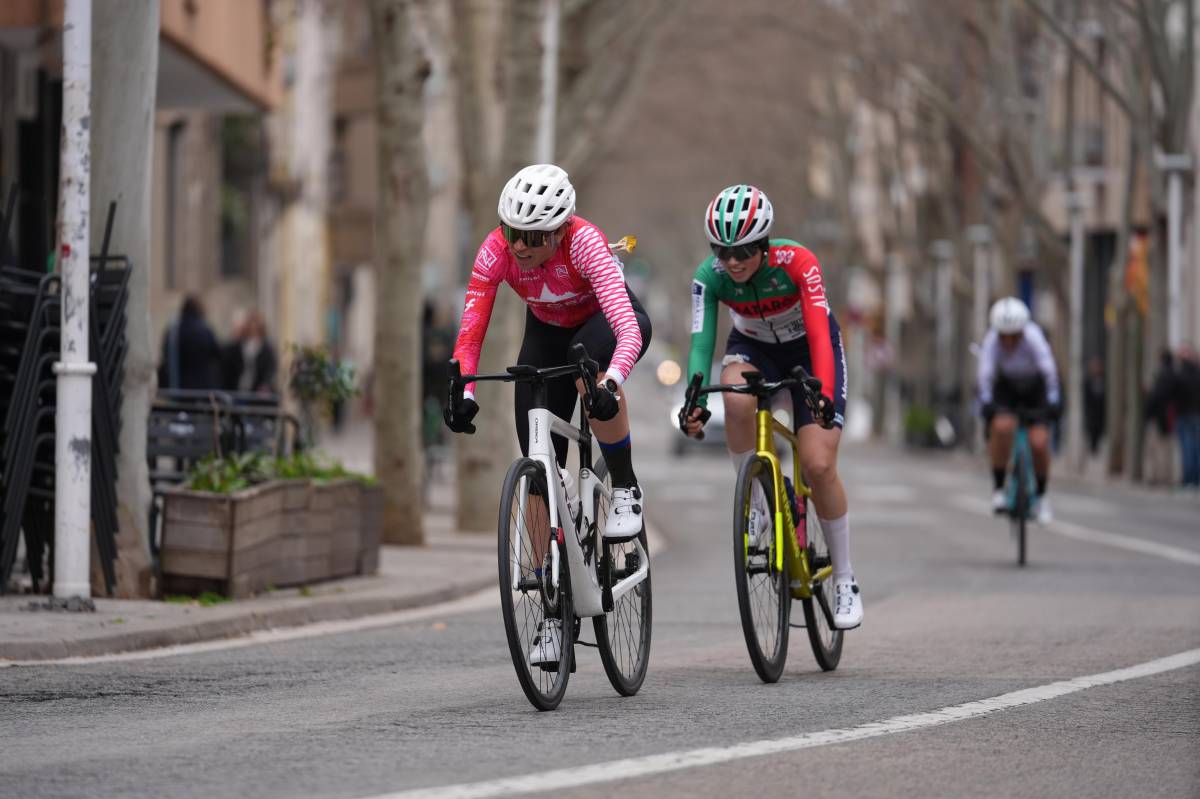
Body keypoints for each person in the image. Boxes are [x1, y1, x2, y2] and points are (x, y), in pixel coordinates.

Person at [444, 163, 653, 664]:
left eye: (533, 237)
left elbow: (627, 328)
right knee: (538, 468)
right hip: (545, 333)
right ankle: (553, 610)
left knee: (589, 370)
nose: (519, 246)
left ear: (559, 230)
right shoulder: (496, 249)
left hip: (602, 323)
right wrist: (463, 389)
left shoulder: (585, 243)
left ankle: (623, 487)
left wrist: (612, 381)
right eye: (513, 232)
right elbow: (471, 330)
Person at [679, 184, 861, 630]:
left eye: (743, 250)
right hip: (753, 349)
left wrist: (820, 391)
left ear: (763, 245)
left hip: (808, 354)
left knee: (818, 465)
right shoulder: (710, 276)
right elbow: (702, 342)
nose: (733, 261)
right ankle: (759, 495)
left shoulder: (799, 262)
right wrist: (694, 397)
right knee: (736, 399)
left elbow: (819, 332)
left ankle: (844, 579)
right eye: (723, 251)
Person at [977, 297, 1061, 523]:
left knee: (1039, 442)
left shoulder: (1034, 338)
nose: (1009, 342)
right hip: (1007, 387)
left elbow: (1049, 370)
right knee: (1001, 427)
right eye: (1004, 336)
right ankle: (998, 489)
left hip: (1035, 387)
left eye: (1015, 336)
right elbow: (985, 374)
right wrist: (985, 402)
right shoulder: (992, 341)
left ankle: (1042, 496)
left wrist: (1053, 400)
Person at [158, 295, 221, 391]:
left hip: (179, 385)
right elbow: (216, 353)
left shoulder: (174, 330)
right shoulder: (204, 329)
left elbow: (166, 353)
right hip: (203, 385)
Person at [220, 310, 278, 395]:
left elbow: (271, 369)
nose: (253, 329)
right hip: (237, 389)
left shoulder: (267, 348)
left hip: (257, 393)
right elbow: (227, 366)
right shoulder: (238, 345)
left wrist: (266, 384)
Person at [1143, 349, 1176, 485]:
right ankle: (1166, 475)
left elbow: (1155, 397)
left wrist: (1147, 413)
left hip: (1159, 418)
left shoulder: (1161, 376)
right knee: (1167, 448)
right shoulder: (1175, 375)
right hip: (1170, 418)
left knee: (1156, 449)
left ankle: (1158, 476)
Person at [1175, 345, 1200, 488]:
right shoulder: (1197, 373)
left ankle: (1188, 479)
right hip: (1196, 414)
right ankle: (1196, 478)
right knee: (1196, 448)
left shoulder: (1181, 374)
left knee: (1187, 449)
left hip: (1185, 414)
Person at [1083, 355, 1106, 455]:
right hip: (1091, 412)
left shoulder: (1104, 380)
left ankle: (1095, 448)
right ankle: (1093, 449)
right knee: (1092, 431)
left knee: (1099, 431)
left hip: (1100, 412)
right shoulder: (1088, 381)